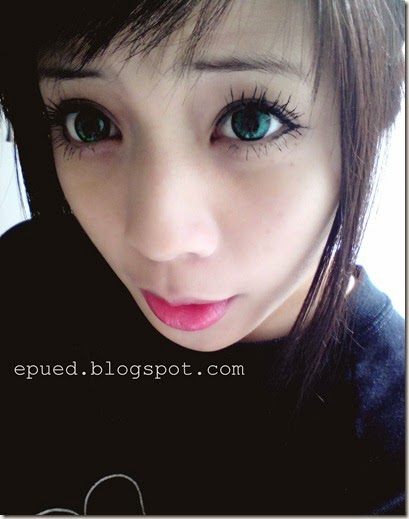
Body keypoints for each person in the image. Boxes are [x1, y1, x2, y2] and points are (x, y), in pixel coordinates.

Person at [0, 0, 405, 514]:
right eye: (90, 123)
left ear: (381, 95)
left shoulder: (389, 451)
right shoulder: (27, 283)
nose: (159, 239)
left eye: (250, 121)